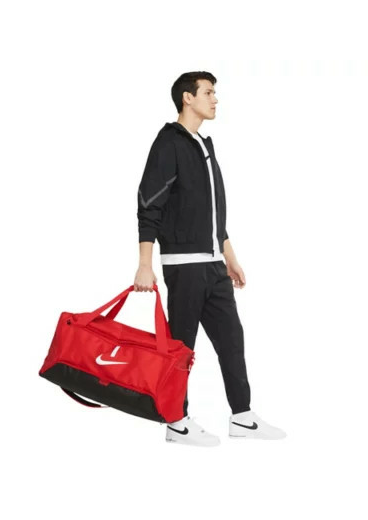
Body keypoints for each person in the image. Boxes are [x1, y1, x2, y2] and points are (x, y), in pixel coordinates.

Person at [134, 71, 286, 446]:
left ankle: (242, 416)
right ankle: (176, 421)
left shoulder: (203, 145)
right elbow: (149, 205)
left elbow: (213, 213)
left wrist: (229, 256)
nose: (215, 99)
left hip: (214, 264)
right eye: (208, 92)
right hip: (184, 267)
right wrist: (145, 264)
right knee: (181, 349)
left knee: (232, 339)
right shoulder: (168, 143)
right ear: (187, 98)